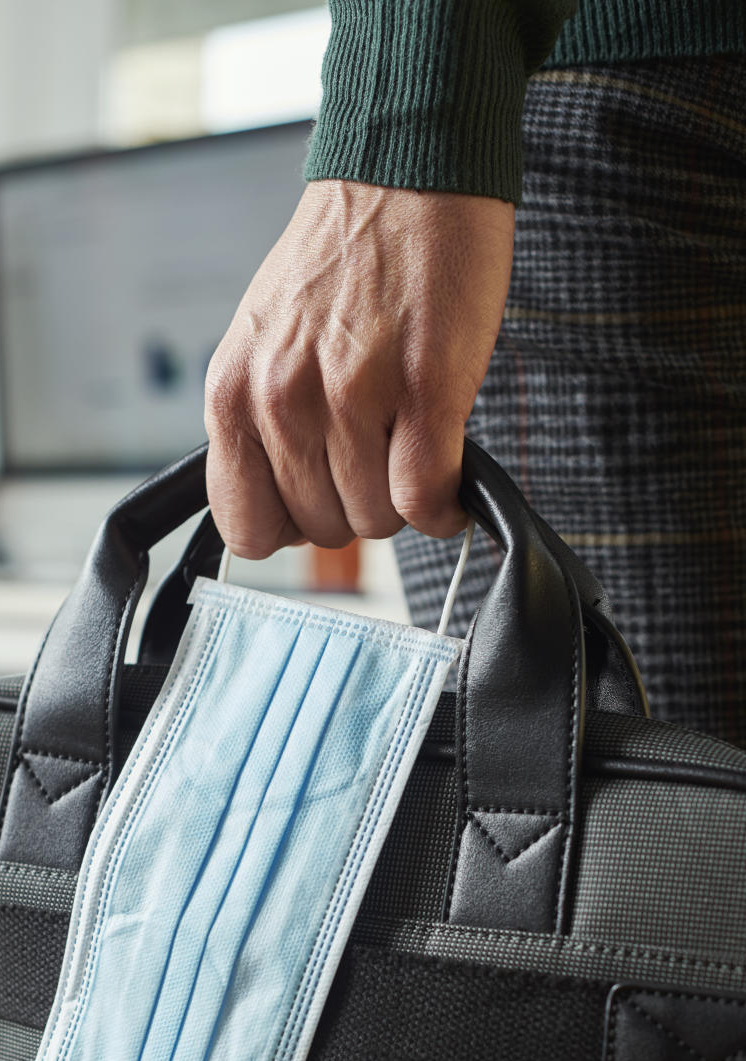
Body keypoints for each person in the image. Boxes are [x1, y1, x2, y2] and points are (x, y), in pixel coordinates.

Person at [203, 1, 746, 748]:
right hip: (657, 97)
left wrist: (398, 123)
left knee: (638, 830)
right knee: (657, 817)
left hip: (633, 113)